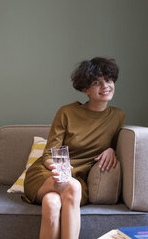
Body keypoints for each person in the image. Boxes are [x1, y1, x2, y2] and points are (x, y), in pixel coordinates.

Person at [23, 57, 125, 239]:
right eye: (97, 82)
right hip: (47, 174)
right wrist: (59, 169)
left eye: (108, 80)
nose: (105, 86)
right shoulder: (67, 112)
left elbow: (115, 144)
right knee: (72, 187)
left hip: (78, 179)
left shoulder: (117, 116)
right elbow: (49, 152)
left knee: (52, 202)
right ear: (85, 89)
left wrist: (112, 150)